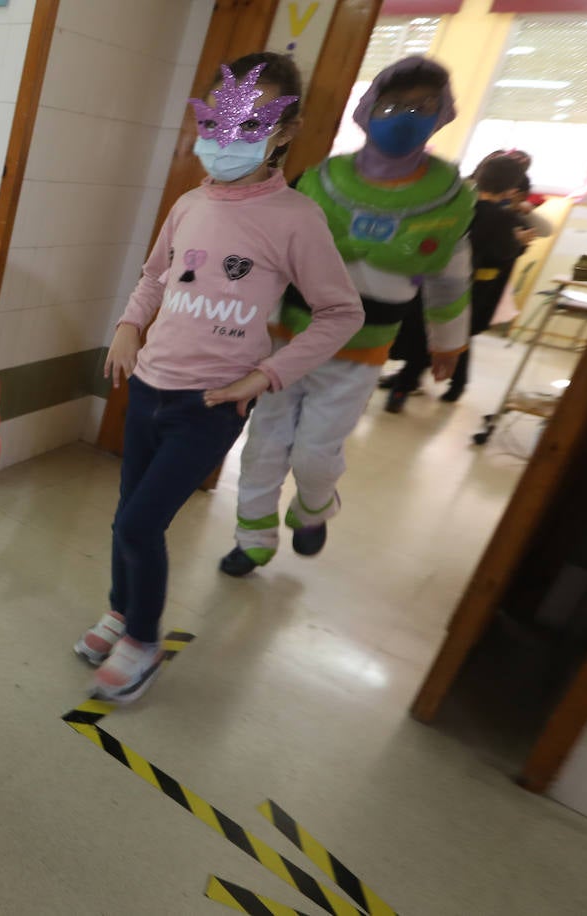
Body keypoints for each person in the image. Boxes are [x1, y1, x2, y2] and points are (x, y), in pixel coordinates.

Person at [75, 53, 363, 702]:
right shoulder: (188, 204)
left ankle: (142, 641)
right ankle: (122, 612)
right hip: (149, 386)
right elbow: (155, 275)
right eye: (219, 123)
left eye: (251, 123)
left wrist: (267, 374)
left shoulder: (295, 219)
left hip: (209, 405)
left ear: (284, 132)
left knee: (140, 526)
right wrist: (128, 324)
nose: (228, 141)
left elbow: (341, 313)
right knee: (129, 516)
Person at [219, 56, 474, 577]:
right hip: (287, 340)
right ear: (368, 109)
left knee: (316, 451)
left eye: (420, 107)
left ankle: (314, 508)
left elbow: (450, 279)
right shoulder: (321, 181)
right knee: (264, 443)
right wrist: (249, 325)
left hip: (358, 352)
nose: (403, 116)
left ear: (441, 113)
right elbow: (274, 258)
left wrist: (448, 342)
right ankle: (253, 537)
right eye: (392, 105)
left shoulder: (446, 200)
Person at [381, 150, 546, 403]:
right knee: (449, 332)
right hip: (468, 287)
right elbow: (502, 251)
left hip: (428, 278)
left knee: (422, 330)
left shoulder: (455, 207)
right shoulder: (500, 218)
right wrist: (519, 242)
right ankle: (410, 384)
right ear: (511, 187)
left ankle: (407, 383)